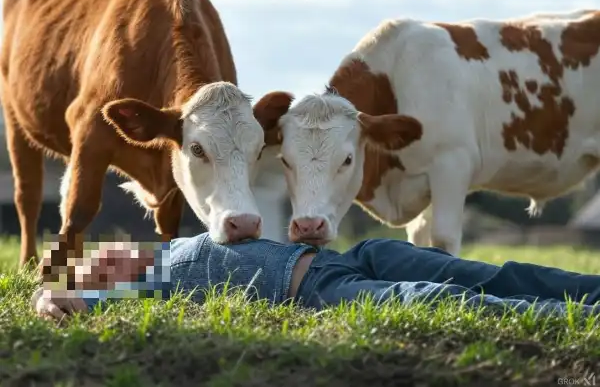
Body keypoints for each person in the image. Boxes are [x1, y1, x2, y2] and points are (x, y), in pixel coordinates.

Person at [32, 233, 600, 321]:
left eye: (105, 251)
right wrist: (51, 293)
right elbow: (54, 296)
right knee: (433, 298)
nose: (105, 255)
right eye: (91, 265)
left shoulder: (180, 236)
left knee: (493, 273)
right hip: (316, 290)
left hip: (357, 254)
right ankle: (576, 317)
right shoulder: (147, 287)